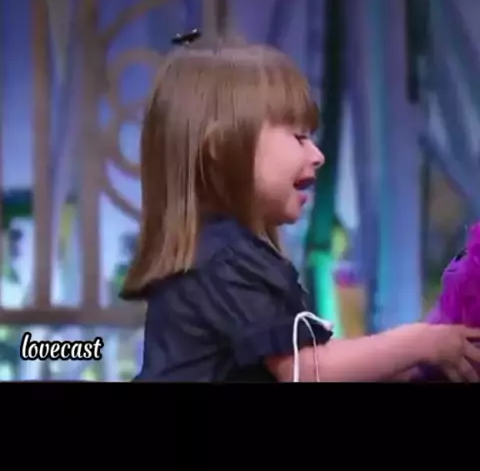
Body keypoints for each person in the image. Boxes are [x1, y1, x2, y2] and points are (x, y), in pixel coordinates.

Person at [121, 32, 480, 382]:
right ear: (221, 146)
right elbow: (307, 371)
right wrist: (421, 343)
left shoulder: (220, 254)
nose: (317, 155)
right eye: (299, 137)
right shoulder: (229, 260)